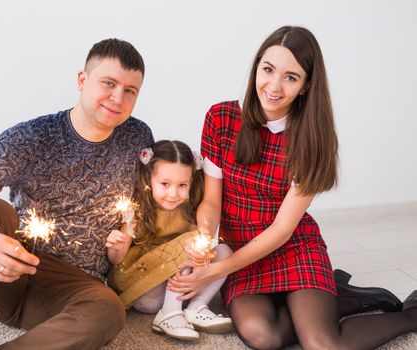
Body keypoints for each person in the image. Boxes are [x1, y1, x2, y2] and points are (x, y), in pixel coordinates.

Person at [168, 26, 417, 349]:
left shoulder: (313, 139)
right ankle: (339, 302)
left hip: (291, 247)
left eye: (290, 77)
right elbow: (212, 202)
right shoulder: (221, 118)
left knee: (323, 344)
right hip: (242, 249)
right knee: (263, 336)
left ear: (305, 85)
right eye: (268, 70)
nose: (273, 86)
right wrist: (204, 245)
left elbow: (283, 230)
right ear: (257, 67)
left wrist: (218, 270)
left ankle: (411, 314)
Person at [0, 38, 154, 350]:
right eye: (108, 83)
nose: (117, 98)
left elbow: (159, 189)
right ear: (82, 80)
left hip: (72, 290)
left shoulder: (137, 137)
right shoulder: (33, 137)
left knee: (109, 309)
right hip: (10, 269)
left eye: (130, 91)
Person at [106, 140, 233, 341]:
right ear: (149, 179)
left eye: (182, 185)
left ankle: (196, 307)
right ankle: (169, 314)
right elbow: (116, 260)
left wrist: (204, 254)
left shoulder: (192, 206)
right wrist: (115, 246)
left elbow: (204, 249)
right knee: (193, 240)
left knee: (225, 252)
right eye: (165, 184)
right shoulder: (138, 209)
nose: (173, 194)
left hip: (178, 286)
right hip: (146, 289)